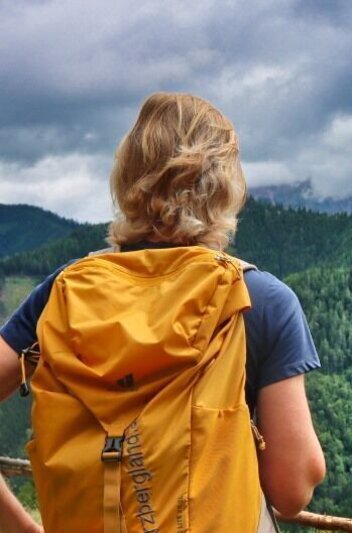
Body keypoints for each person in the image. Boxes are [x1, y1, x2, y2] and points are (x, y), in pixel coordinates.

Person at [0, 92, 326, 532]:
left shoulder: (63, 293)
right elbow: (292, 488)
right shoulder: (258, 300)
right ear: (226, 188)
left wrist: (21, 528)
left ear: (127, 178)